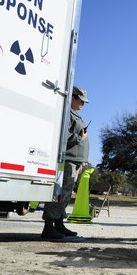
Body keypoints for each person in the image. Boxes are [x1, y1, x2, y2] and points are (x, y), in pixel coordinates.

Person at [41, 86, 89, 240]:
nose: (83, 104)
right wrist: (78, 138)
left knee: (66, 195)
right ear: (73, 98)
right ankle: (49, 227)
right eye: (81, 100)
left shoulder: (76, 115)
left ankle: (59, 224)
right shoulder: (67, 114)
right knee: (59, 194)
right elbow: (64, 137)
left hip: (74, 161)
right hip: (67, 160)